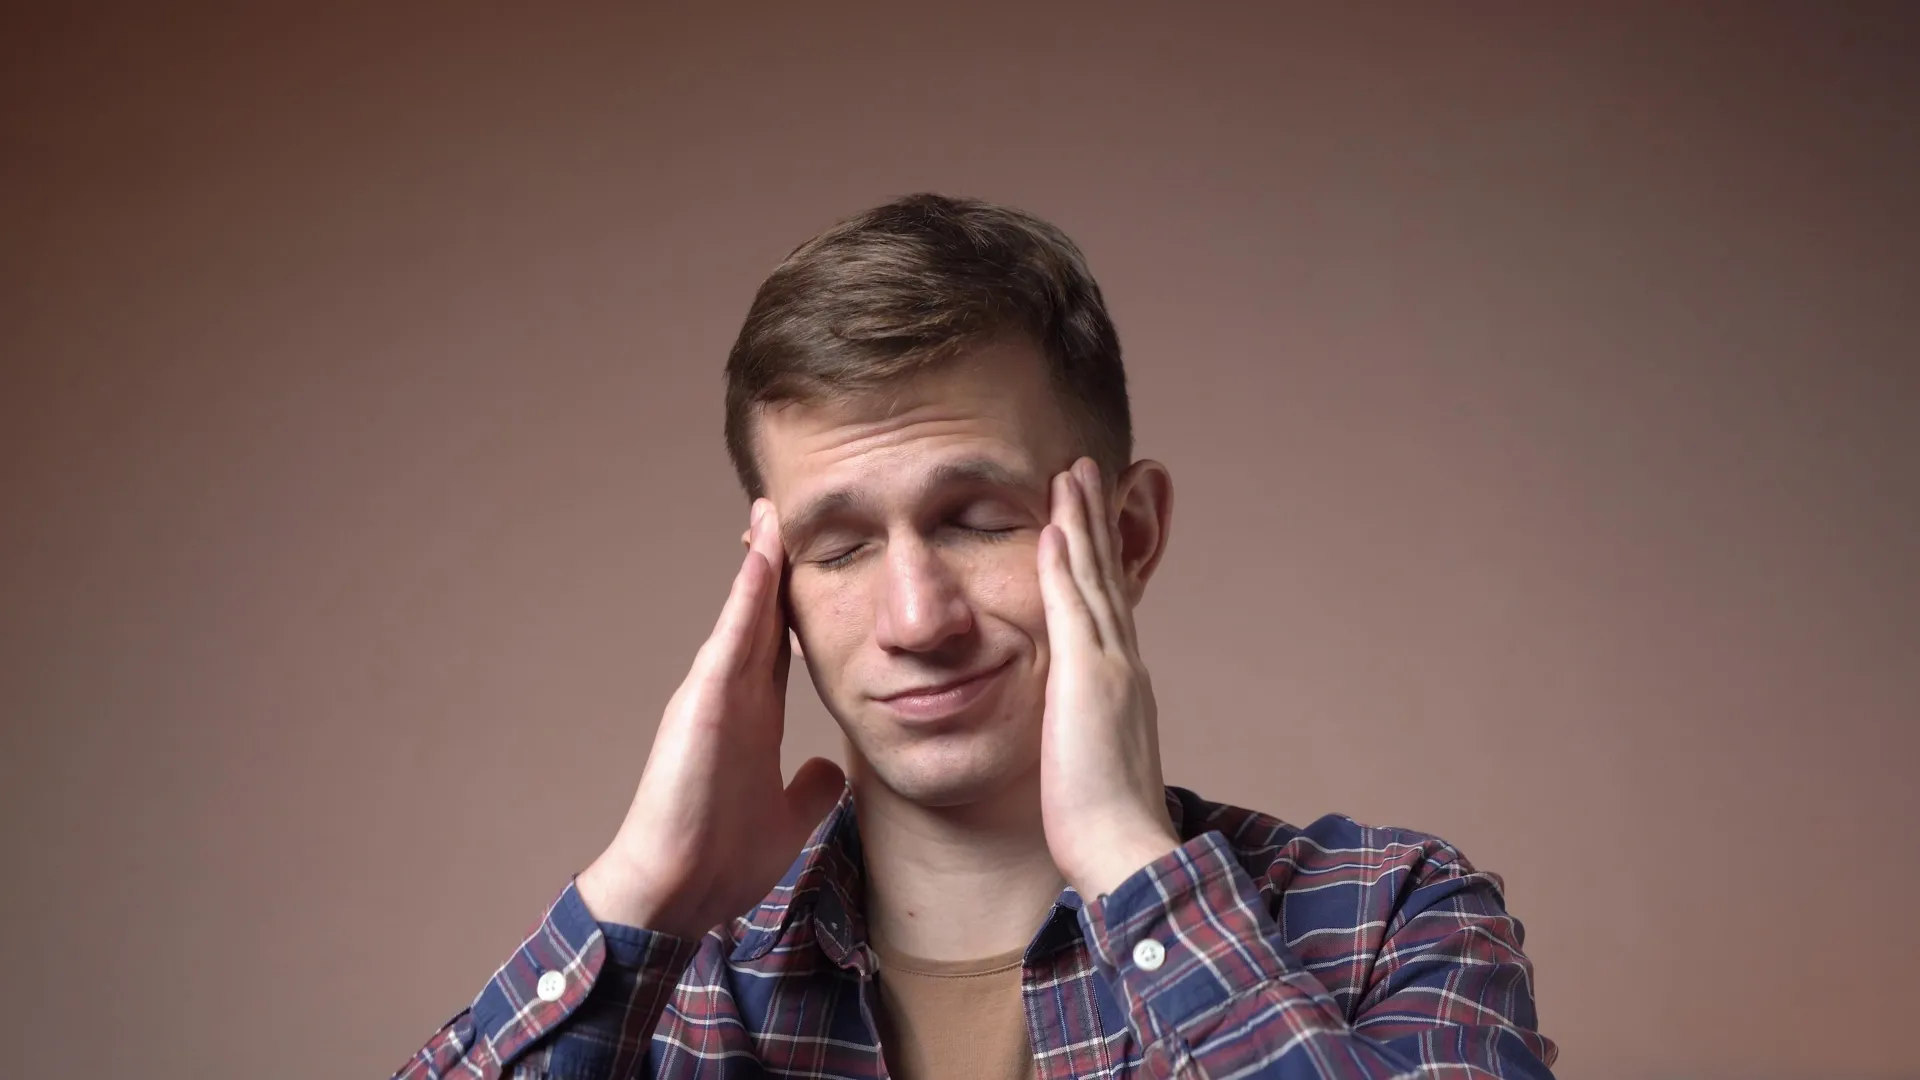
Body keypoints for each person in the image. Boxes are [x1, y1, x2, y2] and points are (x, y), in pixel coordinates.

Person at [392, 194, 1558, 1080]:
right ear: (771, 584)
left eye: (977, 520)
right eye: (839, 547)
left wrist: (1128, 863)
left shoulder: (1389, 920)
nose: (917, 621)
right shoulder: (663, 990)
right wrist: (637, 892)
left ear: (1130, 536)